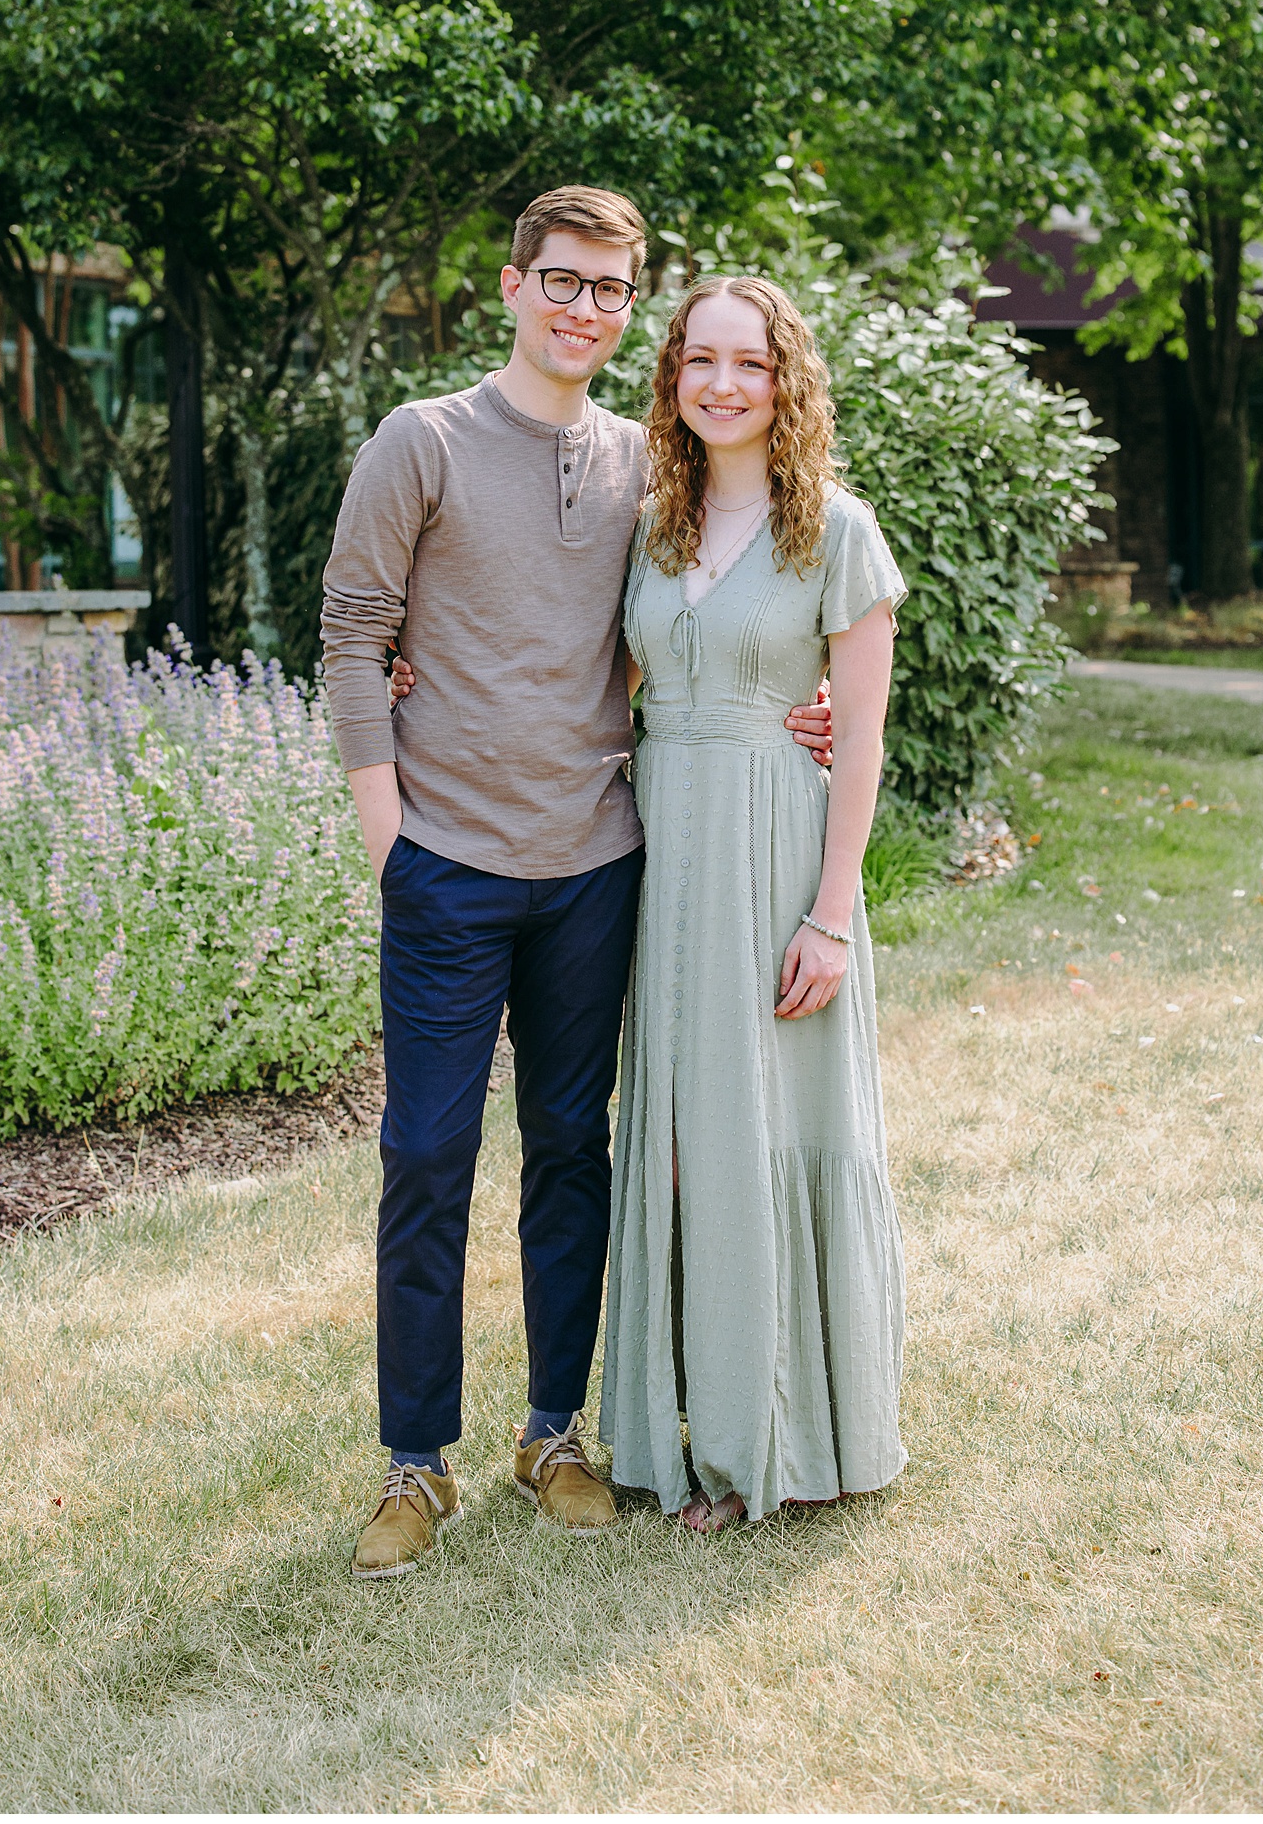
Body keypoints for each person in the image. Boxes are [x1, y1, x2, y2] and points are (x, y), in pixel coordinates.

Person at [319, 190, 834, 1581]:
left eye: (610, 292)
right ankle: (412, 1462)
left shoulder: (644, 465)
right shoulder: (417, 441)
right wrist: (393, 846)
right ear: (510, 285)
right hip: (446, 866)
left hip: (598, 866)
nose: (583, 309)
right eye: (563, 281)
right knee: (426, 1157)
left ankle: (552, 1433)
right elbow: (356, 635)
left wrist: (814, 697)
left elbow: (724, 600)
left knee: (570, 1149)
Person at [600, 273, 908, 1530]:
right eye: (699, 360)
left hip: (775, 857)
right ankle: (682, 1415)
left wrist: (829, 914)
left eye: (751, 363)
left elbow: (865, 741)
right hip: (661, 854)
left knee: (762, 1132)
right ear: (671, 378)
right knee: (676, 1140)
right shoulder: (652, 528)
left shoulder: (834, 531)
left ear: (787, 383)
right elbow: (596, 677)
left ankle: (769, 1440)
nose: (723, 383)